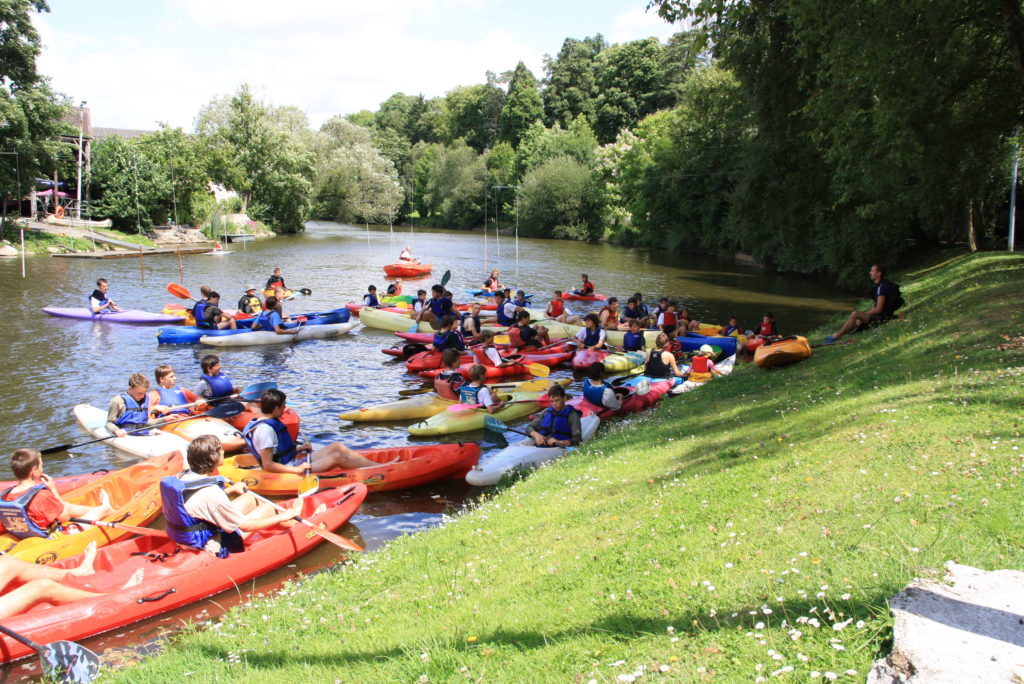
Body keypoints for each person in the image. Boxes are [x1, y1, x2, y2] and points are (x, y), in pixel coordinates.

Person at [161, 435, 306, 559]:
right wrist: (283, 516)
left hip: (183, 536)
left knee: (251, 498)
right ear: (213, 457)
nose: (223, 451)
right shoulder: (212, 493)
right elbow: (245, 526)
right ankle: (295, 523)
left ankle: (290, 520)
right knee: (268, 507)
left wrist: (231, 491)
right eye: (220, 450)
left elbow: (197, 502)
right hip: (207, 546)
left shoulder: (182, 477)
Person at [241, 389, 386, 473]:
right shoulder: (266, 430)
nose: (285, 410)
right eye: (284, 406)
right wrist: (298, 470)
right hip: (289, 469)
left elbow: (277, 453)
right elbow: (268, 464)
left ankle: (376, 466)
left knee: (336, 446)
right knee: (337, 457)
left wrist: (298, 449)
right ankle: (379, 469)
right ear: (277, 408)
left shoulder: (260, 422)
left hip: (290, 462)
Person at [0, 448, 112, 541]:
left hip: (24, 536)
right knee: (102, 509)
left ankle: (93, 509)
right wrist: (52, 489)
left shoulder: (5, 496)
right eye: (41, 465)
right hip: (51, 539)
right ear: (34, 470)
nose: (42, 468)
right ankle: (106, 508)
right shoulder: (41, 496)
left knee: (66, 505)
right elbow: (64, 517)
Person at [826, 264, 904, 343]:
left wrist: (864, 314)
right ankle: (847, 331)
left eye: (872, 271)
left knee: (855, 314)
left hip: (883, 318)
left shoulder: (882, 287)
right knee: (857, 319)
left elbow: (879, 309)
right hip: (882, 316)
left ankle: (837, 335)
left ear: (879, 273)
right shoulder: (882, 285)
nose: (870, 273)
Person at [106, 373, 163, 438]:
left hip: (144, 433)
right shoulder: (117, 401)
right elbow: (109, 423)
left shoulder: (145, 399)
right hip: (125, 435)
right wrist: (116, 430)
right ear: (130, 389)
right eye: (139, 393)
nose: (142, 396)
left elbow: (147, 422)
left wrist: (164, 419)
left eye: (144, 393)